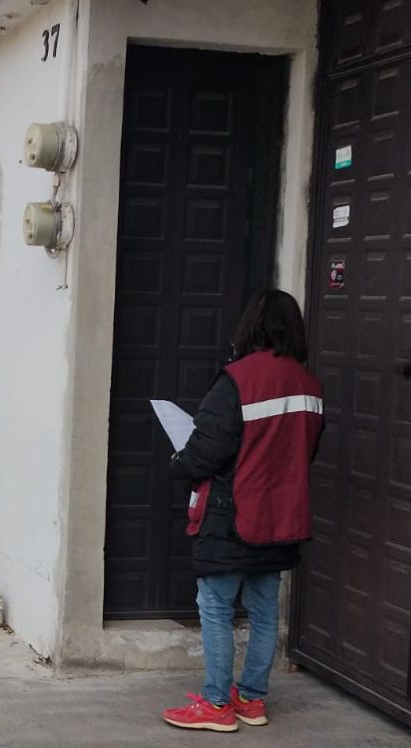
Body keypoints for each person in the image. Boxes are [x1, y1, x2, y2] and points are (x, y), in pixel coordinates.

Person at [161, 289, 324, 733]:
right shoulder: (311, 386)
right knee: (265, 607)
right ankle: (252, 700)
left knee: (215, 605)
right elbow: (305, 452)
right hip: (282, 516)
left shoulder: (237, 380)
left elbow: (206, 452)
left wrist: (179, 462)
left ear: (250, 326)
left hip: (230, 514)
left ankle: (216, 704)